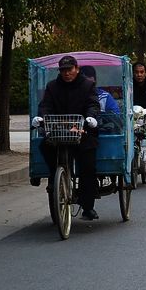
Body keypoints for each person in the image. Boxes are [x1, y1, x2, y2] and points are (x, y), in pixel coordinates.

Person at [33, 55, 101, 220]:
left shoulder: (87, 85)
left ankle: (87, 206)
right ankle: (55, 179)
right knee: (45, 147)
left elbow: (93, 104)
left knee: (88, 165)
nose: (66, 73)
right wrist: (41, 118)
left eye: (69, 69)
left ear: (76, 69)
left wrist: (91, 118)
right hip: (58, 132)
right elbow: (45, 106)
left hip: (82, 132)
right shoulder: (52, 86)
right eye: (63, 70)